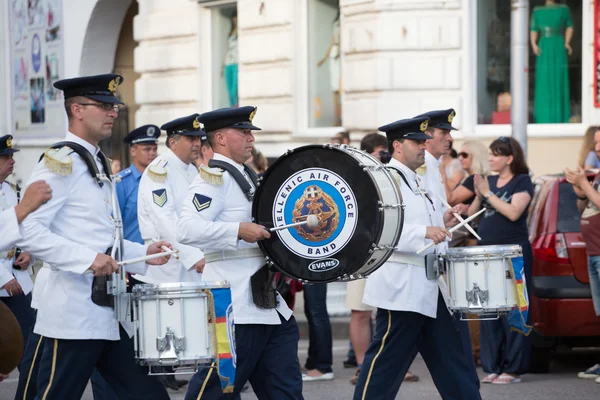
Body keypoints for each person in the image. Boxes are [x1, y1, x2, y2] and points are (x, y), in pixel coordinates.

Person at [17, 73, 173, 400]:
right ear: (77, 109)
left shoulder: (95, 160)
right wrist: (87, 260)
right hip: (73, 314)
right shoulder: (60, 162)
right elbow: (28, 231)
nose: (114, 112)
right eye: (104, 105)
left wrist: (144, 252)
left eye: (114, 106)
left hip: (105, 309)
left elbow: (101, 237)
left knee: (148, 394)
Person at [177, 106, 303, 399]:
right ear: (220, 138)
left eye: (250, 132)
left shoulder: (246, 174)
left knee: (285, 392)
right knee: (216, 391)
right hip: (233, 307)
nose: (250, 138)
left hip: (267, 306)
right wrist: (237, 230)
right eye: (243, 132)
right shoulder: (212, 179)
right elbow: (186, 228)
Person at [353, 116, 481, 400]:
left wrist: (444, 221)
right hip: (402, 289)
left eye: (424, 140)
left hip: (431, 286)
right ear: (397, 145)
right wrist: (425, 232)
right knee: (384, 365)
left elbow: (424, 223)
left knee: (454, 364)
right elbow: (374, 231)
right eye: (416, 141)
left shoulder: (416, 179)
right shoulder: (383, 180)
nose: (424, 145)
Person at [415, 109, 479, 389]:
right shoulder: (422, 167)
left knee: (454, 350)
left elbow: (430, 216)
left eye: (450, 133)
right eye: (443, 133)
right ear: (427, 138)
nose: (449, 139)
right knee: (451, 349)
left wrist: (444, 219)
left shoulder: (434, 166)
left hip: (437, 271)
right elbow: (417, 221)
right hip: (425, 273)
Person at [464, 136, 534, 384]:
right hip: (486, 254)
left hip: (513, 253)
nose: (491, 158)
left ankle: (513, 368)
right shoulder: (489, 181)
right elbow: (474, 214)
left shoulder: (522, 181)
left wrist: (487, 193)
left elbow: (514, 213)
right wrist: (477, 195)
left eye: (495, 154)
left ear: (509, 158)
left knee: (515, 309)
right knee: (489, 309)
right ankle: (492, 365)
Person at [136, 114, 206, 285]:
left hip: (193, 263)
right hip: (167, 266)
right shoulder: (159, 171)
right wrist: (193, 256)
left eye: (198, 138)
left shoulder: (192, 170)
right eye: (191, 139)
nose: (197, 143)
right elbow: (164, 219)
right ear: (173, 143)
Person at [0, 135, 37, 382]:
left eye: (12, 156)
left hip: (19, 282)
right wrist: (3, 278)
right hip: (4, 281)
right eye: (5, 157)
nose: (12, 161)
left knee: (30, 349)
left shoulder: (11, 191)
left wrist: (29, 253)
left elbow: (24, 231)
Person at [565, 131, 600, 384]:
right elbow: (585, 207)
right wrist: (580, 191)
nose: (596, 147)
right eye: (595, 142)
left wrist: (585, 184)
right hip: (593, 252)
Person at [116, 124, 160, 244]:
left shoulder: (160, 179)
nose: (152, 153)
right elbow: (114, 223)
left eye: (154, 149)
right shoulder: (121, 182)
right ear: (133, 151)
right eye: (146, 149)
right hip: (134, 254)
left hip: (162, 254)